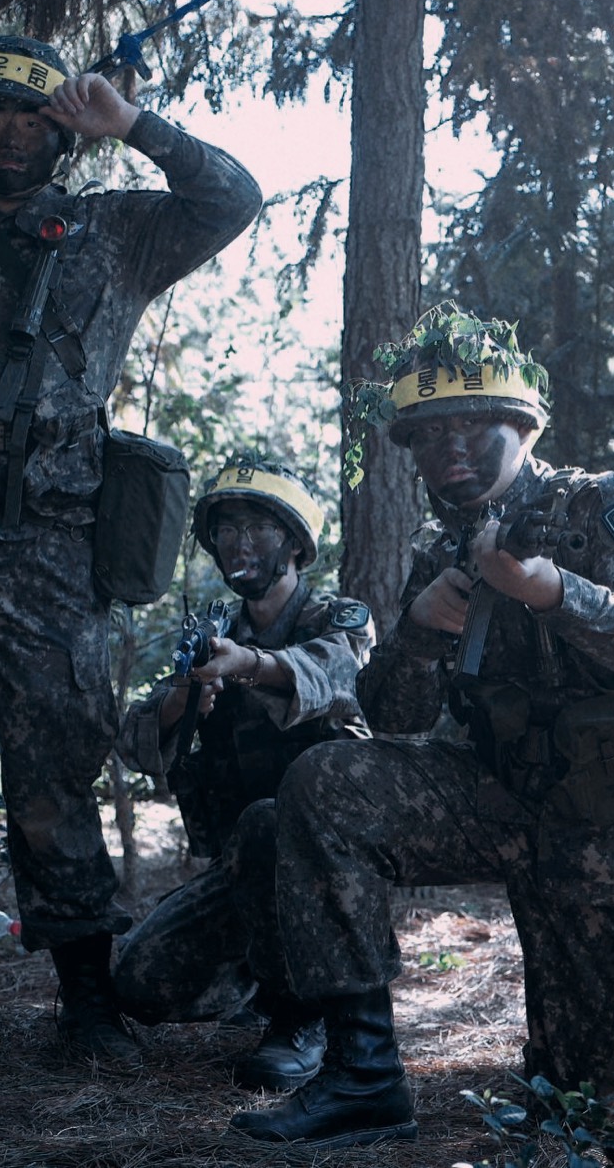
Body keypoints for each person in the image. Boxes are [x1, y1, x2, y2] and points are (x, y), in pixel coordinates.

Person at [0, 34, 263, 1060]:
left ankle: (84, 992)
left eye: (29, 118)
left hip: (50, 545)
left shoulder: (118, 233)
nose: (8, 135)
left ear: (59, 133)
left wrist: (136, 126)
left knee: (57, 768)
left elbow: (233, 199)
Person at [231, 307, 614, 1148]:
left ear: (522, 427)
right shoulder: (437, 551)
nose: (448, 449)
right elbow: (393, 718)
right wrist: (418, 630)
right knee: (323, 785)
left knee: (585, 1118)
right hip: (508, 801)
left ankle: (588, 1079)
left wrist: (547, 589)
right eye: (427, 435)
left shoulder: (597, 505)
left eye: (471, 427)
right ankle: (363, 1076)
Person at [111, 452, 374, 1090]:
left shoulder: (335, 620)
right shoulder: (213, 632)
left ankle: (302, 1018)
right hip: (242, 873)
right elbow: (136, 742)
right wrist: (186, 696)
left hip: (328, 874)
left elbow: (340, 677)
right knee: (138, 983)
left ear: (294, 540)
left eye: (257, 527)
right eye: (226, 530)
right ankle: (262, 978)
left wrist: (248, 666)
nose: (239, 543)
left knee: (268, 821)